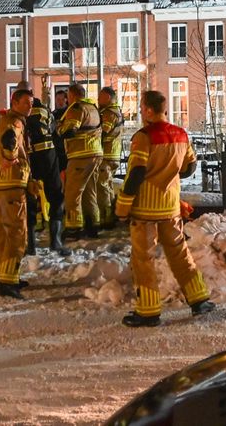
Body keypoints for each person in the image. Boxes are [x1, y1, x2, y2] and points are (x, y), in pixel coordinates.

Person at [116, 90, 215, 327]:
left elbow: (136, 173)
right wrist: (170, 176)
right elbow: (190, 166)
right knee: (180, 254)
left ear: (149, 110)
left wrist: (122, 205)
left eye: (141, 107)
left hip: (145, 211)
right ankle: (199, 299)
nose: (140, 111)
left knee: (143, 259)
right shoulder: (181, 134)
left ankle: (148, 311)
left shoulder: (143, 137)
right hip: (171, 208)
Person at [0, 88, 34, 299]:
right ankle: (7, 282)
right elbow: (9, 140)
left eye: (31, 103)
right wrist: (10, 157)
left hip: (0, 184)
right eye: (26, 102)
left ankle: (8, 275)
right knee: (17, 233)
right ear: (14, 102)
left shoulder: (3, 121)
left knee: (3, 234)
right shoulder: (14, 123)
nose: (30, 106)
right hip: (12, 185)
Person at [57, 83, 103, 239]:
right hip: (95, 154)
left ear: (71, 95)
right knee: (90, 192)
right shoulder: (93, 108)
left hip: (80, 155)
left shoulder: (76, 109)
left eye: (67, 96)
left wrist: (59, 129)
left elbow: (70, 130)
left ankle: (74, 228)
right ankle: (93, 225)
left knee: (72, 193)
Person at [26, 97, 71, 256]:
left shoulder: (18, 114)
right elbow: (56, 135)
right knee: (56, 197)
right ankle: (56, 242)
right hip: (48, 156)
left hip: (29, 159)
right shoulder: (46, 112)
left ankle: (30, 245)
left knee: (29, 200)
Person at [96, 87, 124, 231]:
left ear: (107, 97)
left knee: (102, 186)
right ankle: (110, 215)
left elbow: (103, 132)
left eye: (100, 97)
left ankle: (107, 218)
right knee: (107, 185)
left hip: (107, 155)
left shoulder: (109, 113)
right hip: (112, 154)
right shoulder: (114, 112)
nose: (97, 99)